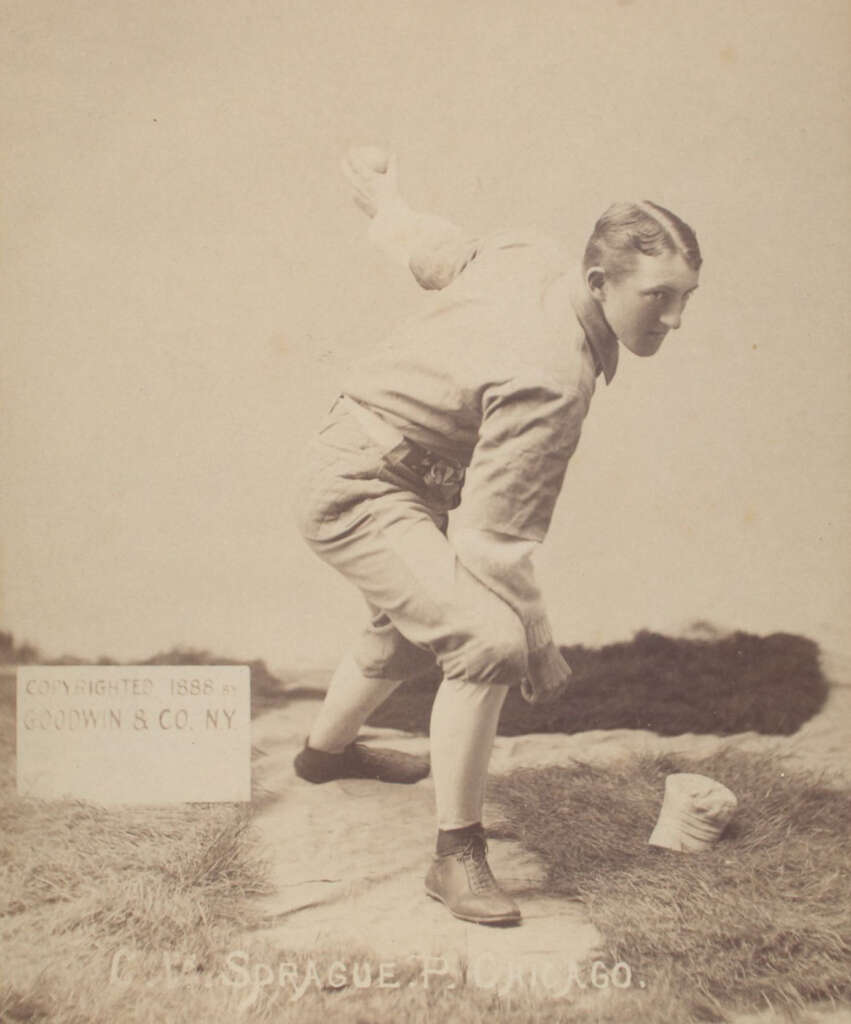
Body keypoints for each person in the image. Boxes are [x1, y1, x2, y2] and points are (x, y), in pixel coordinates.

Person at [291, 149, 702, 926]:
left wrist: (385, 201)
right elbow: (490, 545)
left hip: (378, 465)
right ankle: (456, 855)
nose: (674, 319)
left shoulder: (532, 252)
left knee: (411, 621)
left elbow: (434, 249)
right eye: (656, 297)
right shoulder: (553, 376)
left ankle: (325, 753)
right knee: (487, 639)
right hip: (359, 486)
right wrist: (539, 643)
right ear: (597, 283)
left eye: (685, 298)